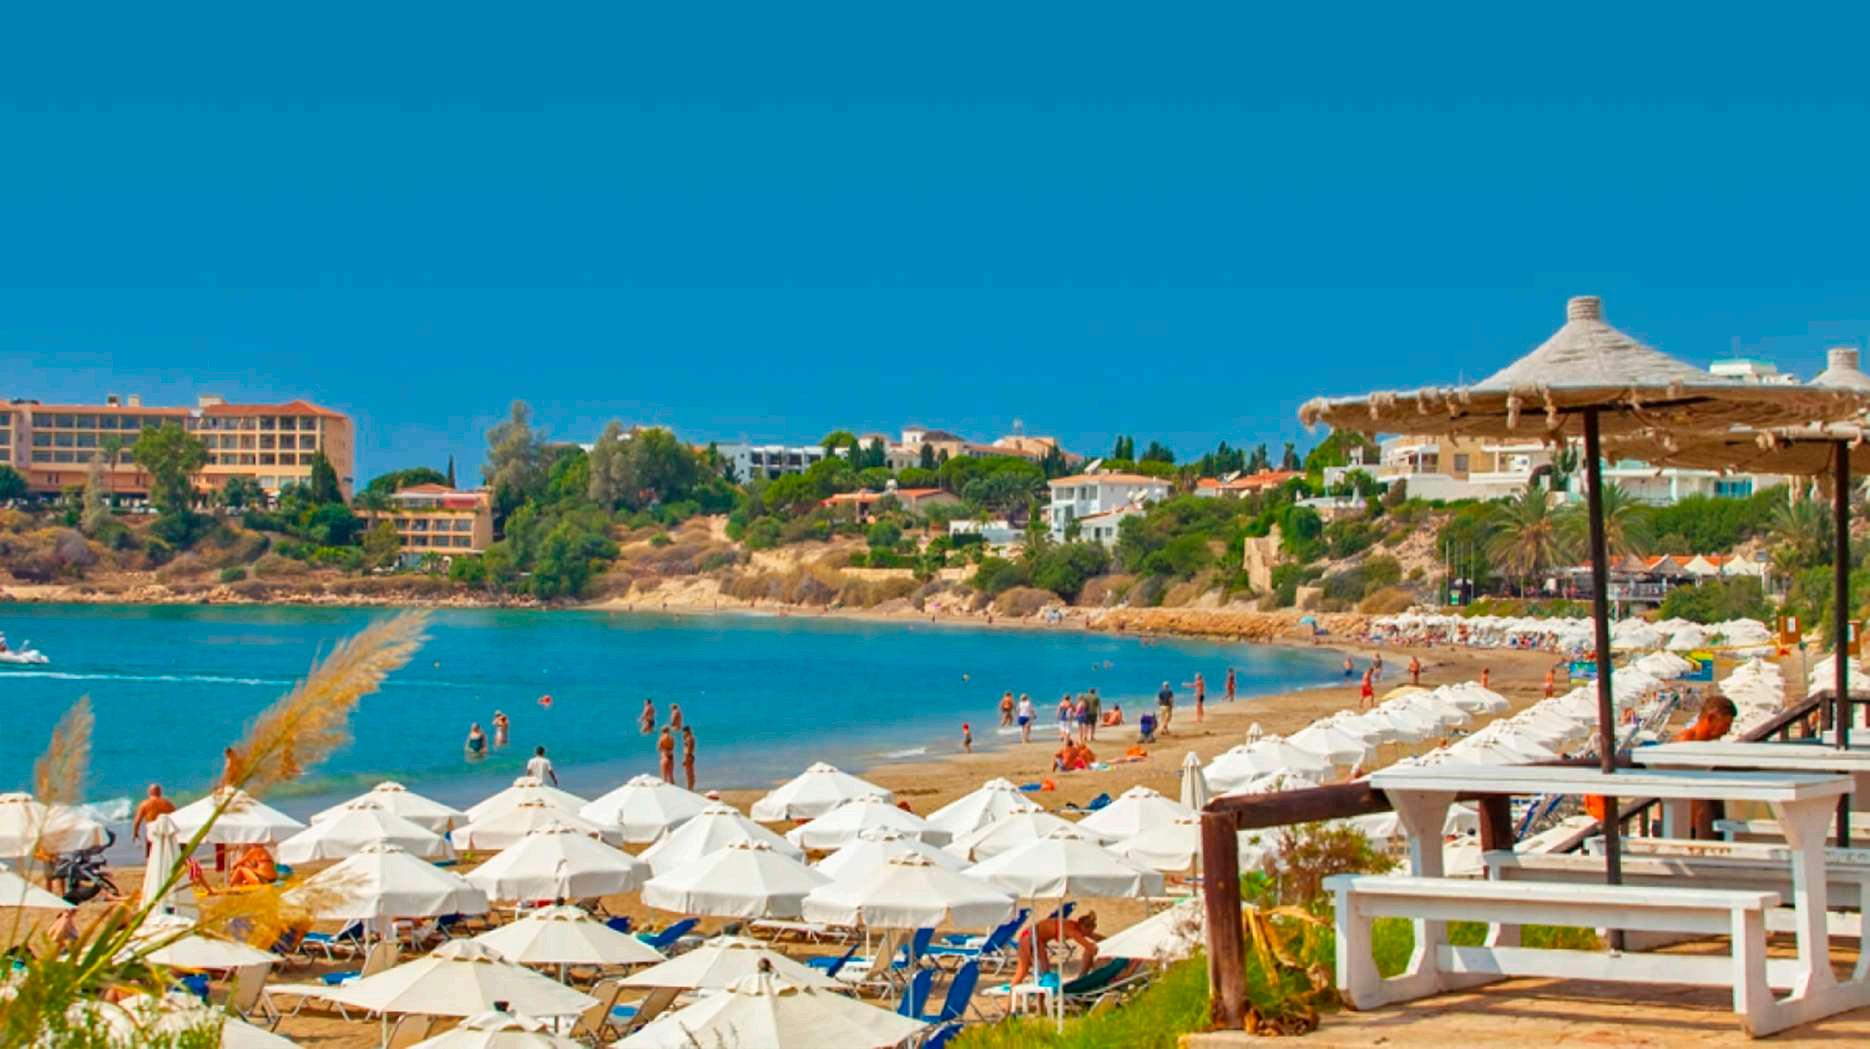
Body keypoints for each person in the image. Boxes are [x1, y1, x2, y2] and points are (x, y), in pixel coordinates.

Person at [1010, 912, 1101, 986]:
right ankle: (1010, 999)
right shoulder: (1072, 930)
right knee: (1023, 970)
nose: (1090, 933)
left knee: (1046, 973)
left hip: (1039, 940)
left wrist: (1108, 941)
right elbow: (1090, 948)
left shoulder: (1076, 927)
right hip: (1028, 936)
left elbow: (1093, 936)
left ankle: (1043, 1001)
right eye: (1090, 931)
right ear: (1084, 926)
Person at [132, 785, 176, 856]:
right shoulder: (168, 804)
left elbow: (137, 820)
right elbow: (175, 818)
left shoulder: (144, 804)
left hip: (153, 833)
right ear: (160, 792)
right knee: (166, 856)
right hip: (166, 834)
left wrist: (135, 833)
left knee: (151, 856)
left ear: (149, 792)